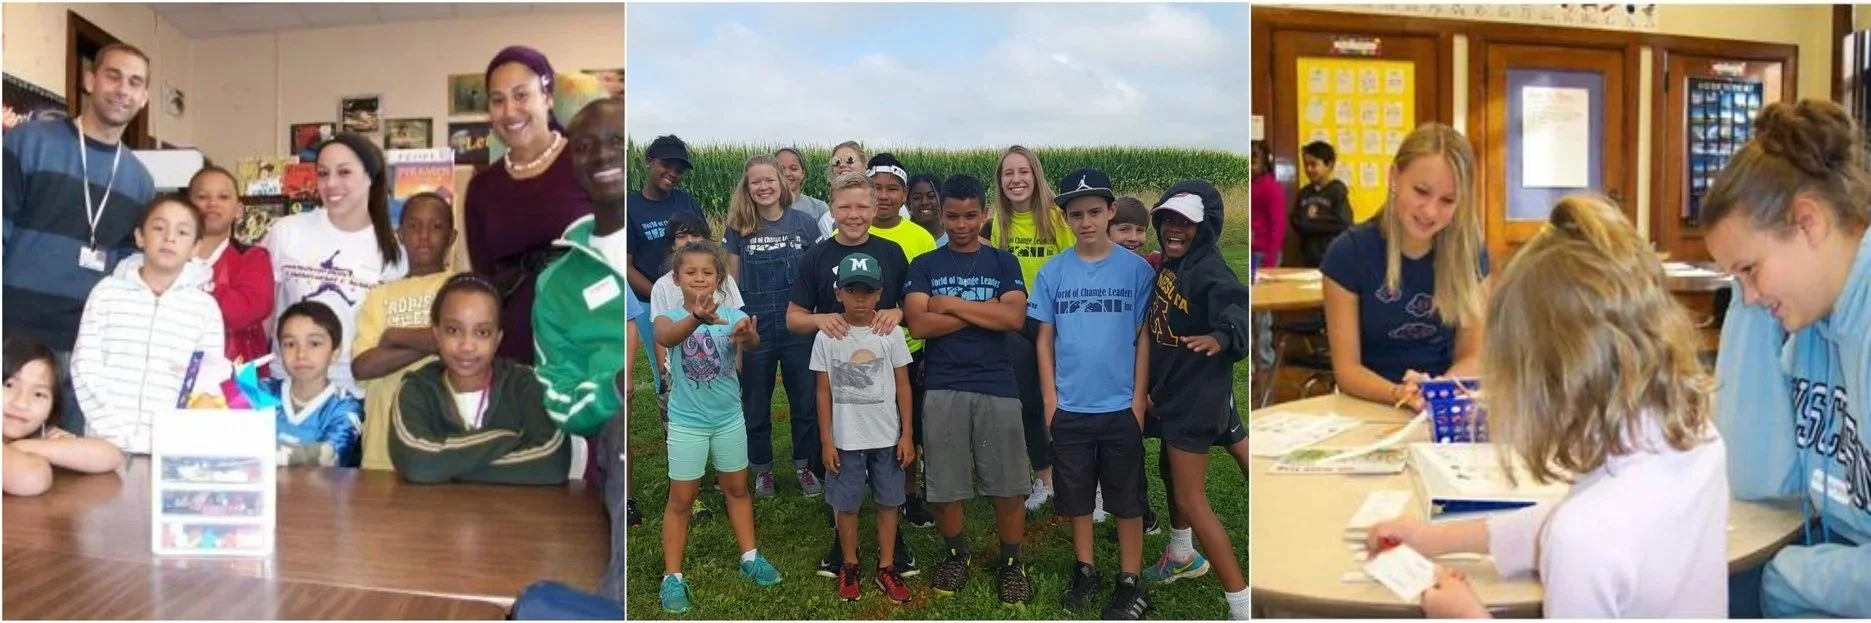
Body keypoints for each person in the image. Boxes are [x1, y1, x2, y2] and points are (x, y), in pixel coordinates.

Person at [1368, 196, 1727, 618]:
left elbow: (1579, 536)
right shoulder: (1698, 438)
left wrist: (1467, 616)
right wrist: (1437, 539)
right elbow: (1569, 523)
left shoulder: (1581, 539)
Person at [1706, 99, 1871, 618]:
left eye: (1750, 270)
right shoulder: (1811, 321)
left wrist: (1790, 578)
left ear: (1808, 221)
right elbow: (1756, 475)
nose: (1750, 295)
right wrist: (1750, 296)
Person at [3, 43, 158, 434]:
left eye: (135, 82)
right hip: (13, 332)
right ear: (90, 79)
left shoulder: (140, 181)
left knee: (67, 465)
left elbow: (126, 269)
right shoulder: (28, 142)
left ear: (144, 98)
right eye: (113, 75)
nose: (123, 89)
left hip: (84, 346)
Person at [1029, 169, 1157, 619]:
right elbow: (1044, 339)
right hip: (1071, 406)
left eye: (1095, 213)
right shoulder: (1053, 272)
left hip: (1121, 404)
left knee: (1126, 498)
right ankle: (1085, 569)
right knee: (1077, 496)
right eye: (1076, 214)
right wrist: (1050, 400)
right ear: (1066, 218)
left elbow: (1143, 338)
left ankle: (1130, 578)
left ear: (1110, 213)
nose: (1086, 222)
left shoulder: (1136, 271)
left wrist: (1138, 400)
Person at [906, 173, 1033, 605]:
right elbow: (920, 323)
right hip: (943, 383)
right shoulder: (925, 264)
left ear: (985, 215)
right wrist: (985, 310)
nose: (962, 225)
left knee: (1008, 481)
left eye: (970, 216)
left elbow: (1014, 319)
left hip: (997, 382)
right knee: (944, 479)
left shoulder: (1002, 262)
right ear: (941, 215)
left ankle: (1012, 562)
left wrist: (951, 305)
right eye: (953, 216)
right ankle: (956, 552)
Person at [788, 171, 919, 577]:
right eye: (845, 206)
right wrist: (821, 318)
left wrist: (899, 311)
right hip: (839, 374)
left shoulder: (893, 252)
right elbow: (793, 318)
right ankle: (842, 548)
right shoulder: (816, 256)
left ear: (875, 206)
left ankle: (892, 546)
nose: (855, 214)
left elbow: (911, 305)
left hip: (884, 368)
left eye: (863, 205)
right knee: (842, 467)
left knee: (888, 467)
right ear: (832, 208)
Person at [1137, 180, 1251, 620]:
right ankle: (1182, 555)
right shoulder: (1172, 264)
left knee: (1191, 499)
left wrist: (1222, 336)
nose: (1173, 227)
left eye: (1186, 221)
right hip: (1173, 392)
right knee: (1170, 471)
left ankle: (1242, 603)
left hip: (1194, 399)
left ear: (1205, 227)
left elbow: (1236, 307)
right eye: (1168, 218)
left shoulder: (1210, 271)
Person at [534, 97, 633, 602]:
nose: (600, 156)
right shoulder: (559, 283)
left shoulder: (676, 240)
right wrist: (614, 387)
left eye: (616, 140)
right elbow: (561, 401)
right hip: (620, 441)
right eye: (585, 147)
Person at [1320, 124, 1489, 413]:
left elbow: (1473, 354)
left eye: (1448, 200)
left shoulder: (1470, 254)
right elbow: (1347, 371)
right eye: (1421, 191)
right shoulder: (1348, 254)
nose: (1430, 211)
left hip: (1445, 404)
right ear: (1394, 177)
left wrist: (1437, 392)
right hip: (1370, 403)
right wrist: (1401, 393)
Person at [653, 239, 778, 614]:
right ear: (677, 279)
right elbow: (665, 338)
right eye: (690, 273)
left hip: (728, 420)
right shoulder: (670, 317)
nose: (699, 279)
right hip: (688, 423)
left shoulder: (733, 314)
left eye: (708, 272)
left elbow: (751, 342)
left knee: (737, 489)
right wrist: (697, 318)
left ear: (719, 278)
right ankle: (672, 577)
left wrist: (748, 335)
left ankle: (750, 556)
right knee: (681, 499)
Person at [464, 46, 595, 365]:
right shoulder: (482, 188)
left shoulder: (587, 161)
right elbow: (485, 279)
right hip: (514, 354)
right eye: (498, 100)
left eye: (521, 95)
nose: (509, 111)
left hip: (586, 347)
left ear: (548, 96)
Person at [72, 195, 225, 454]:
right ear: (140, 237)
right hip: (103, 445)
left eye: (182, 232)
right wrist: (111, 432)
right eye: (158, 228)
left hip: (170, 446)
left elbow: (205, 380)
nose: (169, 238)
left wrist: (175, 435)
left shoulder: (204, 309)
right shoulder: (106, 293)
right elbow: (85, 366)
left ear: (195, 247)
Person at [389, 274, 571, 484]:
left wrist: (441, 467)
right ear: (437, 334)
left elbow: (552, 463)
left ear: (498, 339)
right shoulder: (416, 387)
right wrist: (507, 438)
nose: (467, 346)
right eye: (454, 330)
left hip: (513, 514)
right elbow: (416, 463)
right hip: (437, 515)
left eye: (482, 332)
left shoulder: (526, 383)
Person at [266, 133, 409, 395]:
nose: (330, 183)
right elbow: (265, 315)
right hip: (285, 383)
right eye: (323, 173)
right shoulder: (287, 231)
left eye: (344, 172)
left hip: (354, 390)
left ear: (370, 177)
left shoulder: (393, 252)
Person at [811, 253, 917, 604]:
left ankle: (887, 565)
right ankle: (850, 563)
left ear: (880, 294)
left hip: (886, 437)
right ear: (838, 292)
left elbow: (903, 385)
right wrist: (827, 440)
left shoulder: (889, 333)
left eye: (868, 291)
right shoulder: (828, 336)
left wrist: (907, 434)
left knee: (889, 501)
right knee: (847, 503)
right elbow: (823, 391)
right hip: (845, 439)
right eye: (852, 290)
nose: (860, 298)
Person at [723, 154, 820, 498]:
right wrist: (738, 332)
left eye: (769, 180)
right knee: (755, 400)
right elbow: (732, 285)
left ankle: (805, 466)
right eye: (756, 182)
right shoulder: (737, 229)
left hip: (797, 324)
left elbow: (815, 279)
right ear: (747, 189)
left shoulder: (805, 224)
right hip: (756, 326)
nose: (763, 187)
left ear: (782, 183)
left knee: (804, 399)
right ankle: (762, 469)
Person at [989, 145, 1074, 512]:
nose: (1016, 179)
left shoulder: (1058, 218)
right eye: (1008, 173)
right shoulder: (998, 223)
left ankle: (1091, 480)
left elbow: (1076, 266)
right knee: (1028, 402)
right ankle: (1045, 479)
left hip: (1059, 320)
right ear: (1000, 181)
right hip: (1016, 322)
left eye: (1023, 171)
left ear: (1035, 175)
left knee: (1071, 401)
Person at [352, 193, 457, 471]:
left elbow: (458, 343)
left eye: (436, 227)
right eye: (413, 225)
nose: (424, 235)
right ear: (399, 234)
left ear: (452, 237)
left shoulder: (462, 287)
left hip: (443, 443)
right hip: (381, 448)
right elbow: (363, 366)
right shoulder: (379, 295)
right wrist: (435, 341)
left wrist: (394, 336)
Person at [626, 134, 703, 401]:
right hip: (648, 302)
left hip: (693, 298)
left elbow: (702, 247)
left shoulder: (686, 202)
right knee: (665, 369)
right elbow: (627, 266)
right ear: (649, 162)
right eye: (666, 165)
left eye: (679, 170)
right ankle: (675, 430)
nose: (673, 173)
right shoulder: (629, 207)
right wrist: (663, 293)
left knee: (698, 359)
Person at [3, 336, 124, 497]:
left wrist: (27, 446)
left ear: (51, 409)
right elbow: (31, 479)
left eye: (39, 394)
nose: (21, 403)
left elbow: (111, 456)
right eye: (9, 385)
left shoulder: (36, 437)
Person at [188, 165, 275, 366]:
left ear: (238, 210)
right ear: (187, 206)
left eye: (223, 197)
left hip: (236, 376)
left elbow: (239, 313)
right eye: (202, 196)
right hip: (172, 371)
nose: (212, 203)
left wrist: (185, 292)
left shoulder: (253, 258)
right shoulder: (168, 256)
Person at [267, 302, 363, 468]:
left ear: (335, 352)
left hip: (320, 494)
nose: (301, 354)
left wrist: (263, 455)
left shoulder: (344, 405)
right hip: (264, 492)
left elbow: (329, 455)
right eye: (290, 344)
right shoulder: (262, 392)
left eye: (314, 344)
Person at [815, 141, 911, 239]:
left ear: (864, 165)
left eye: (850, 159)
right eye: (836, 161)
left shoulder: (893, 207)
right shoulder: (827, 220)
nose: (842, 165)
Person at [1291, 140, 1354, 268]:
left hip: (1332, 256)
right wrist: (1317, 223)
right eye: (1306, 164)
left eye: (1314, 164)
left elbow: (1343, 223)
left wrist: (1310, 223)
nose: (1309, 169)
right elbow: (1296, 221)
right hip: (1308, 257)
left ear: (1329, 166)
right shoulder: (1304, 193)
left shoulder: (1337, 190)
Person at [1250, 140, 1287, 269]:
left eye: (1253, 162)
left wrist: (1270, 262)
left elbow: (1278, 226)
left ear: (1265, 163)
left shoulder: (1271, 187)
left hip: (1264, 254)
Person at [776, 147, 829, 222]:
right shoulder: (763, 207)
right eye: (781, 169)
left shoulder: (819, 208)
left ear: (802, 174)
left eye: (794, 169)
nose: (787, 174)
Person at [1109, 197, 1156, 269]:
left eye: (1140, 230)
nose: (1133, 238)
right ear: (1106, 231)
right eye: (1124, 229)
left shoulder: (1146, 267)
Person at [908, 172, 945, 244]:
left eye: (931, 196)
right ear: (908, 202)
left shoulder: (954, 238)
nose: (924, 202)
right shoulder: (901, 240)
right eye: (917, 197)